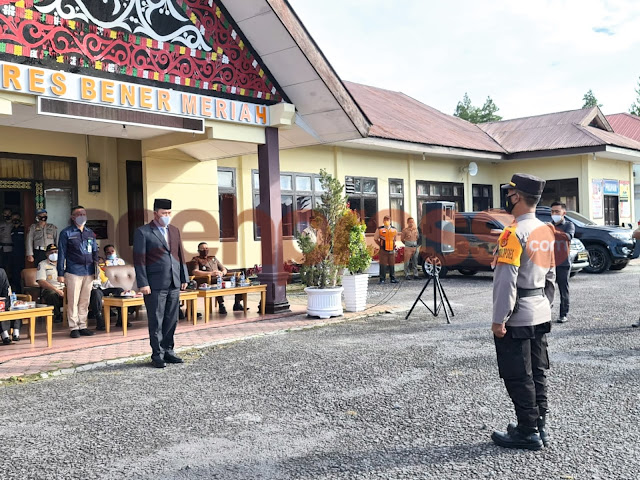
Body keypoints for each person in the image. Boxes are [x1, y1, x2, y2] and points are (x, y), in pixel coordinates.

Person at [491, 173, 556, 451]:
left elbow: (507, 279)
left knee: (518, 374)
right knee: (538, 371)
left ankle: (527, 431)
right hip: (540, 309)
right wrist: (546, 304)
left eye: (510, 194)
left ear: (516, 197)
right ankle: (538, 425)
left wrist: (499, 319)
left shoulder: (513, 233)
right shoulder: (546, 230)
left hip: (518, 314)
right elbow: (552, 273)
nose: (508, 198)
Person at [133, 198, 188, 368]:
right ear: (155, 213)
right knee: (156, 320)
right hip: (154, 283)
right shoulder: (143, 232)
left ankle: (169, 351)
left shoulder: (174, 230)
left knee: (172, 319)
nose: (167, 216)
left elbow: (180, 255)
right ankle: (157, 354)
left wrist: (184, 277)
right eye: (164, 213)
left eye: (169, 213)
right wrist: (143, 283)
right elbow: (139, 260)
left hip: (174, 282)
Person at [57, 206, 98, 337]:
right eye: (79, 214)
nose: (82, 216)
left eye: (84, 213)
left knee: (85, 300)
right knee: (73, 300)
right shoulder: (66, 233)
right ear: (73, 217)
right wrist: (60, 273)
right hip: (74, 270)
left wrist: (97, 270)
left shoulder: (90, 233)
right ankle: (74, 327)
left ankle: (83, 325)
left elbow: (95, 251)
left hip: (89, 270)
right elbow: (61, 254)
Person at [191, 242, 246, 314]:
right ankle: (221, 305)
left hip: (220, 276)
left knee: (238, 279)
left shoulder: (213, 258)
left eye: (207, 248)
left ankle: (237, 303)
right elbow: (195, 271)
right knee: (218, 281)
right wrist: (211, 273)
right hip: (208, 279)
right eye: (203, 249)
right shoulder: (196, 259)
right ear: (199, 251)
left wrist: (222, 273)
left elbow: (224, 268)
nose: (205, 250)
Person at [89, 244, 126, 330]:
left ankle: (121, 319)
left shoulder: (99, 265)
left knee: (119, 290)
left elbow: (105, 280)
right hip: (92, 288)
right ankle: (99, 320)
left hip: (103, 287)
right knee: (96, 293)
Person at [549, 201, 575, 324]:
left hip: (563, 263)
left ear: (564, 213)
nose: (554, 214)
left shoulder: (569, 225)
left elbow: (568, 237)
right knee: (547, 289)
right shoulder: (548, 226)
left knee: (563, 289)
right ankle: (545, 314)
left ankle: (563, 314)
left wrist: (553, 231)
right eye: (552, 211)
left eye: (557, 212)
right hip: (549, 263)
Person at [36, 244, 64, 324]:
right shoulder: (42, 264)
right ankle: (57, 315)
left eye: (56, 252)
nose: (54, 254)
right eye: (51, 253)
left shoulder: (64, 263)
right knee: (52, 294)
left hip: (66, 288)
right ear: (46, 254)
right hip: (51, 289)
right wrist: (56, 290)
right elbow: (41, 281)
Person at [374, 215, 398, 284]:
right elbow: (375, 239)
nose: (386, 221)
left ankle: (392, 278)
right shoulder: (380, 229)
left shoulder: (394, 229)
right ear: (383, 221)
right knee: (383, 265)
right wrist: (380, 245)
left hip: (391, 250)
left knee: (392, 265)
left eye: (388, 220)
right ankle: (382, 279)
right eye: (385, 220)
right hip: (383, 250)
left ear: (390, 221)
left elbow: (395, 239)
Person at [0, 267, 21, 344]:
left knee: (13, 305)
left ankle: (16, 331)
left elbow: (7, 288)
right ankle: (4, 334)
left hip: (2, 299)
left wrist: (5, 297)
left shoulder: (1, 272)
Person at [9, 212, 25, 293]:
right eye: (13, 218)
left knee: (23, 275)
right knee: (15, 275)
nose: (15, 220)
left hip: (23, 254)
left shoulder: (23, 229)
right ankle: (18, 293)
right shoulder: (12, 230)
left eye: (17, 218)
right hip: (14, 255)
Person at [0, 208, 12, 272]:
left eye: (8, 213)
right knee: (2, 265)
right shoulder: (1, 224)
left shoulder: (14, 223)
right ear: (2, 214)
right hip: (2, 247)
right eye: (5, 213)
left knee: (10, 265)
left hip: (11, 248)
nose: (7, 215)